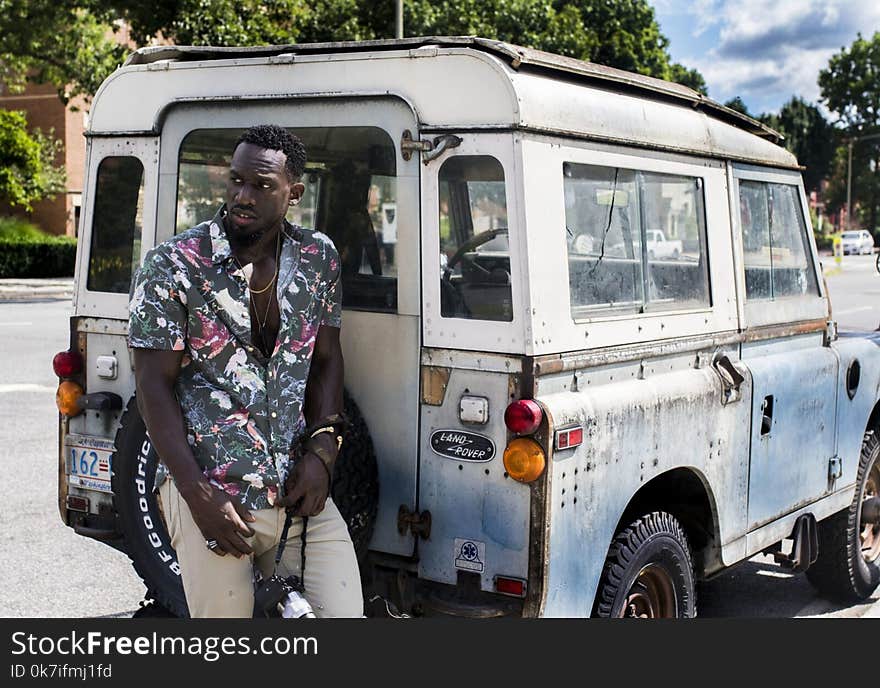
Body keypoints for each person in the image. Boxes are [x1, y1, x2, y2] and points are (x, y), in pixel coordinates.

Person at [128, 123, 363, 618]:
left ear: (292, 192)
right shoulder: (174, 265)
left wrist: (323, 453)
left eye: (261, 186)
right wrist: (195, 494)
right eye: (236, 180)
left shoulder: (318, 260)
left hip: (297, 491)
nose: (243, 195)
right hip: (214, 493)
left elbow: (327, 361)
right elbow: (153, 386)